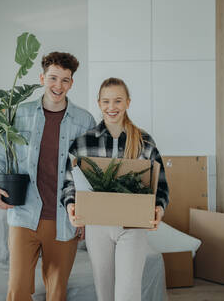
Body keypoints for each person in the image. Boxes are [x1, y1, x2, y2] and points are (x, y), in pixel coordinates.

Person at [0, 52, 96, 301]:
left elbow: (90, 173)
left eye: (65, 80)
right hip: (24, 215)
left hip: (64, 219)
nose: (58, 86)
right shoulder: (18, 114)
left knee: (56, 293)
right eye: (53, 78)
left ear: (72, 83)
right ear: (42, 77)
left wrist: (87, 215)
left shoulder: (85, 121)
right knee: (17, 291)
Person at [61, 77, 169, 301]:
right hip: (97, 227)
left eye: (118, 101)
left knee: (127, 295)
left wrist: (159, 208)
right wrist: (71, 205)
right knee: (105, 294)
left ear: (128, 103)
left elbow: (160, 184)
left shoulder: (144, 142)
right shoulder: (83, 142)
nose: (112, 107)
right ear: (99, 103)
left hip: (132, 226)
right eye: (106, 102)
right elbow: (70, 181)